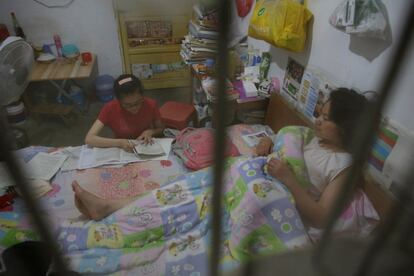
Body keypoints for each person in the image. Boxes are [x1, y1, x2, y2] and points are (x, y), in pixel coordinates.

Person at [256, 88, 369, 229]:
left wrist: (288, 178)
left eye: (326, 118)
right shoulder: (312, 137)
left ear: (346, 129)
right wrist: (268, 140)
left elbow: (322, 218)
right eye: (320, 114)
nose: (318, 120)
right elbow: (284, 142)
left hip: (291, 209)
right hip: (269, 183)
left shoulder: (344, 166)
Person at [85, 74, 164, 151]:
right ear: (118, 101)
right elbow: (89, 139)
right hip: (122, 148)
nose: (134, 108)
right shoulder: (110, 108)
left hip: (145, 145)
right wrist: (120, 142)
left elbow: (160, 128)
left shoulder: (151, 104)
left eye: (138, 102)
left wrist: (150, 131)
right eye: (127, 105)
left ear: (142, 96)